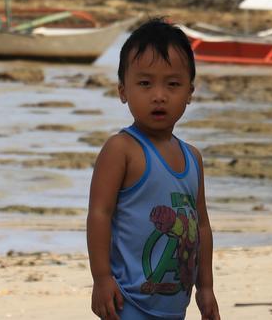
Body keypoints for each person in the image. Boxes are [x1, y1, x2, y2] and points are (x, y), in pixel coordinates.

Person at [86, 18, 219, 320]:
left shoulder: (192, 158)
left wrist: (206, 287)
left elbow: (201, 227)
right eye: (145, 83)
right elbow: (99, 214)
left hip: (174, 307)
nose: (159, 95)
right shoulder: (121, 150)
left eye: (172, 84)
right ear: (123, 90)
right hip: (127, 302)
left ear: (189, 92)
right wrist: (101, 278)